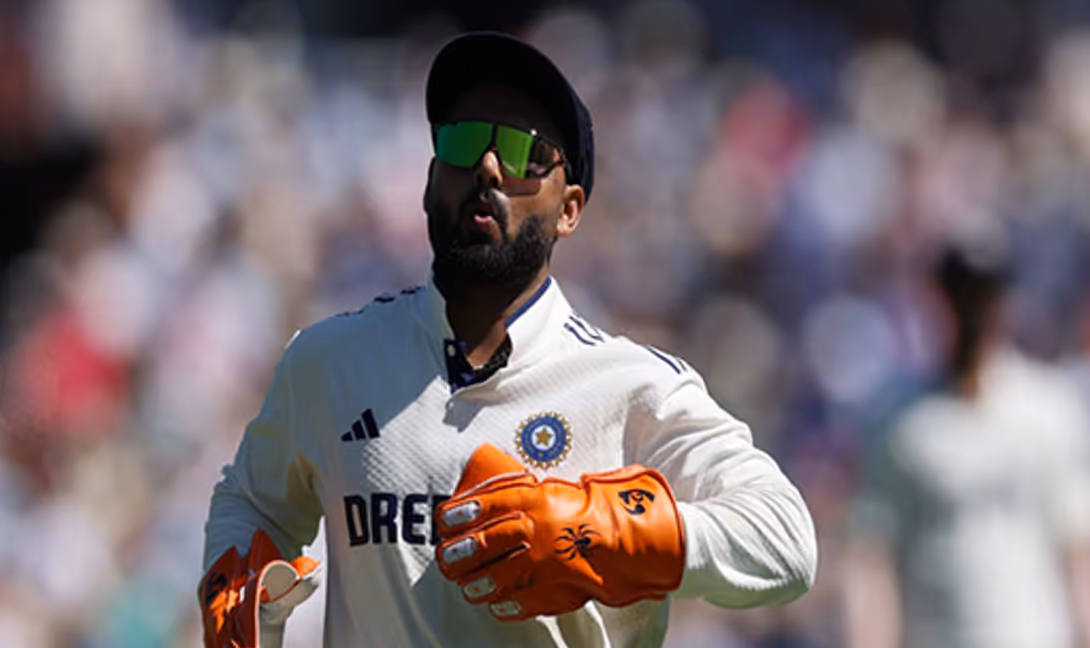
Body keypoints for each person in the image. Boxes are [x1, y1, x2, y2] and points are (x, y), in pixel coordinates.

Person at [199, 31, 817, 648]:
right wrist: (236, 581)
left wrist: (605, 531)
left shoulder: (633, 386)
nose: (489, 167)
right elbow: (251, 502)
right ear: (430, 181)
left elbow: (786, 543)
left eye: (525, 153)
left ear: (569, 209)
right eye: (464, 142)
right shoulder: (329, 361)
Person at [842, 242, 1090, 648]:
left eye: (981, 298)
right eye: (961, 297)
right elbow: (872, 562)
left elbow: (1089, 559)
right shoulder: (902, 422)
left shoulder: (1051, 411)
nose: (972, 314)